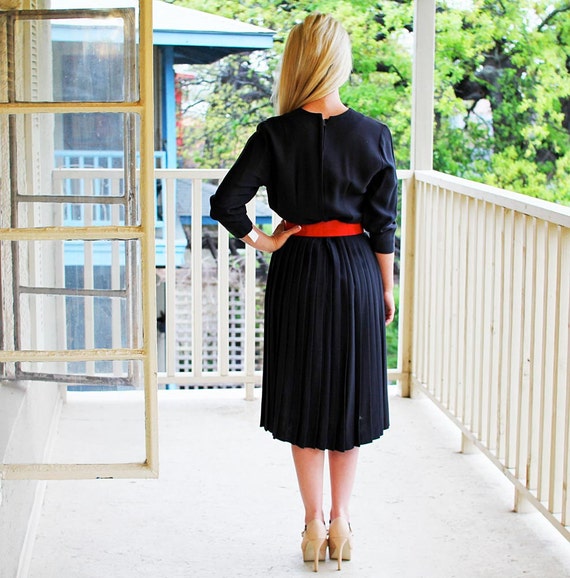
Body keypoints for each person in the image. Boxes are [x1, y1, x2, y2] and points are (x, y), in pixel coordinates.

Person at [210, 13, 398, 572]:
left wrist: (266, 242)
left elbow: (226, 203)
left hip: (298, 270)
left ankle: (312, 525)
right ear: (339, 60)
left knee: (306, 392)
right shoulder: (373, 134)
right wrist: (384, 289)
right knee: (347, 396)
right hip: (357, 272)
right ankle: (342, 522)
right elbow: (383, 224)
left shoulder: (274, 132)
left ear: (297, 61)